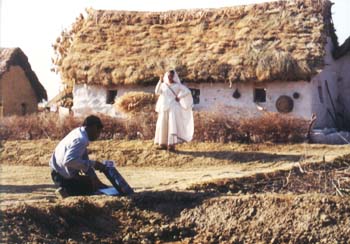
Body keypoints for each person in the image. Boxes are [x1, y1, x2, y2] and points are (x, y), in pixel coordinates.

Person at [49, 115, 108, 198]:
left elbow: (84, 160)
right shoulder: (81, 140)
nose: (98, 135)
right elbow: (69, 161)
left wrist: (95, 178)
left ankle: (67, 189)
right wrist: (94, 164)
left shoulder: (79, 132)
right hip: (60, 176)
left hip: (57, 170)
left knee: (92, 183)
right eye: (98, 132)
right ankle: (65, 191)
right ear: (94, 128)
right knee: (90, 190)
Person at [154, 70, 194, 151]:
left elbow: (187, 91)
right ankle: (163, 144)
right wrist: (160, 81)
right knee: (163, 125)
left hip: (173, 107)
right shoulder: (163, 85)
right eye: (168, 75)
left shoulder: (177, 85)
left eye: (171, 76)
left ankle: (171, 145)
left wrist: (180, 97)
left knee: (172, 126)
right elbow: (157, 92)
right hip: (164, 107)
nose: (170, 77)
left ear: (174, 76)